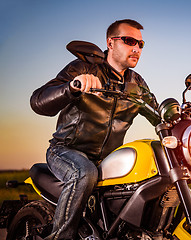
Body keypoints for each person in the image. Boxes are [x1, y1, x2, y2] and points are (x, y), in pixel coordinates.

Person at [30, 19, 159, 240]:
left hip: (107, 157)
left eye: (141, 44)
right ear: (111, 42)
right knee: (84, 173)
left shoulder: (137, 84)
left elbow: (157, 114)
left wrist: (183, 113)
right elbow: (38, 101)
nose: (136, 48)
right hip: (67, 151)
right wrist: (72, 87)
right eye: (129, 41)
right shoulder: (84, 68)